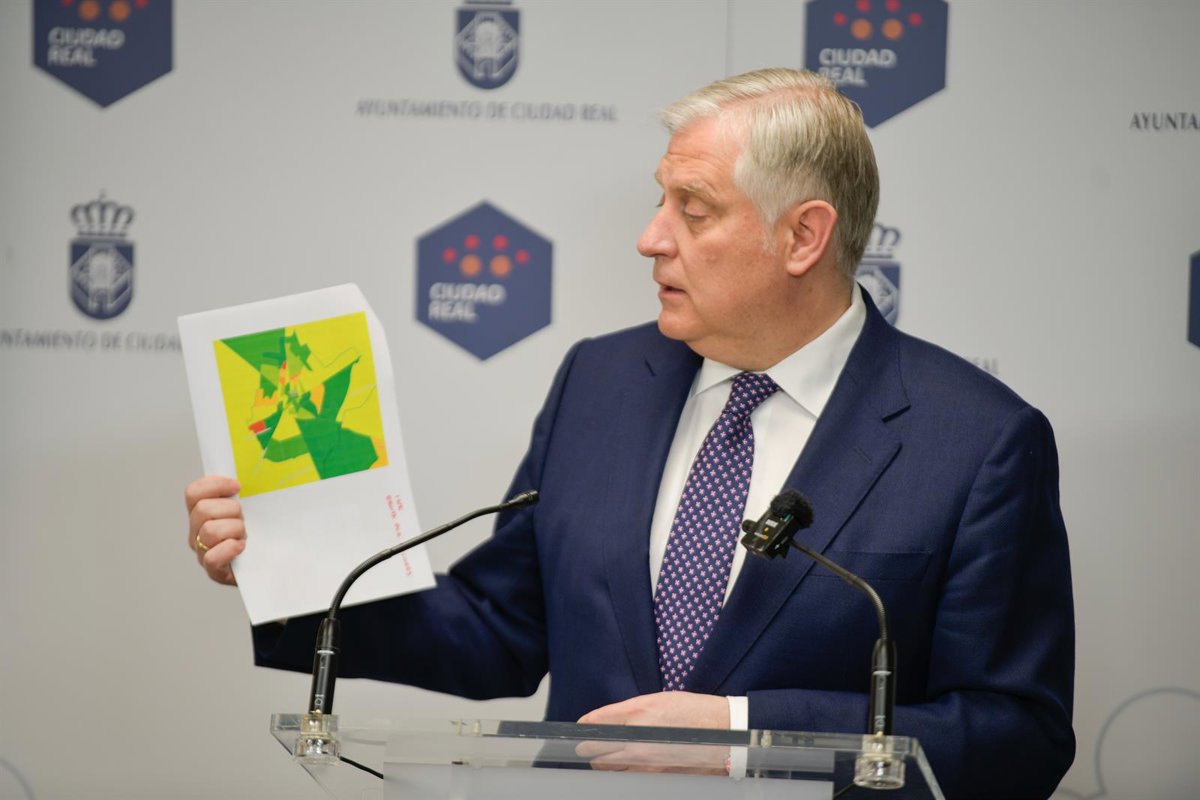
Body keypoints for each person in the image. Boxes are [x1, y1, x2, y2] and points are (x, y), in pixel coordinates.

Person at [186, 68, 1074, 798]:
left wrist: (740, 736)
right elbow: (500, 627)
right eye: (661, 202)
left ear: (804, 236)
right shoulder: (603, 381)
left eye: (694, 209)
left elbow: (1016, 735)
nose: (651, 239)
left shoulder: (977, 443)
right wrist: (291, 569)